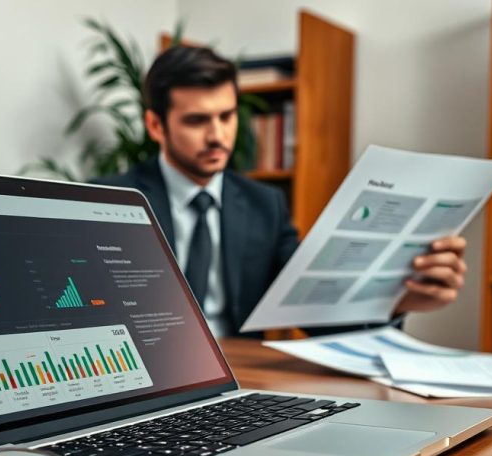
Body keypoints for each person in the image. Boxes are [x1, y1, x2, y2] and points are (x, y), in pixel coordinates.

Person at [94, 46, 467, 337]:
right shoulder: (106, 203)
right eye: (197, 120)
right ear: (156, 126)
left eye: (227, 116)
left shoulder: (263, 205)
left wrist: (396, 302)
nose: (217, 135)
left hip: (241, 377)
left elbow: (311, 310)